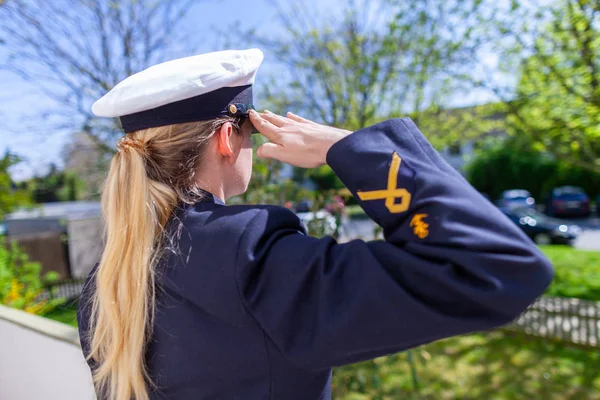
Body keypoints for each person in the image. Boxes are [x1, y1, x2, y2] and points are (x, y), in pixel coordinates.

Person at [77, 48, 553, 400]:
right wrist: (349, 146)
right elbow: (497, 267)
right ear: (227, 138)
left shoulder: (107, 283)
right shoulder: (249, 255)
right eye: (250, 126)